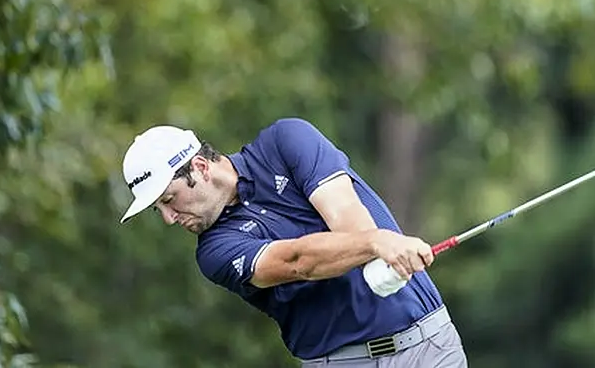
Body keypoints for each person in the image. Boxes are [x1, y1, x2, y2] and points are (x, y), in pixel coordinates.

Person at [119, 117, 468, 367]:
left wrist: (376, 245)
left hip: (430, 347)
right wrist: (378, 244)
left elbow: (347, 214)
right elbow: (296, 262)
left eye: (168, 199)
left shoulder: (286, 142)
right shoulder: (214, 251)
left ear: (200, 168)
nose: (169, 218)